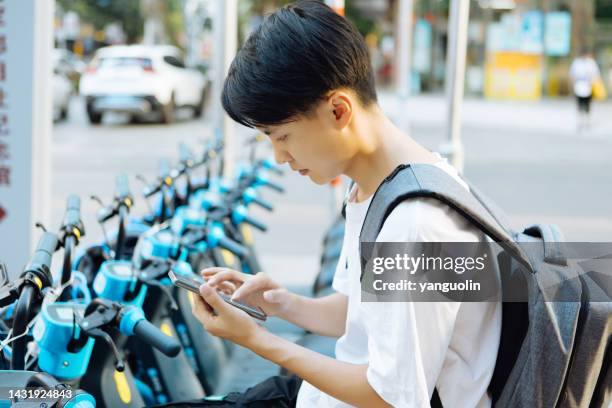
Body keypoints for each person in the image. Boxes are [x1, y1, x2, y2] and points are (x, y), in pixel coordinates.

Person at [169, 1, 501, 407]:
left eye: (282, 136)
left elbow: (391, 398)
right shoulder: (378, 187)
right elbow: (360, 312)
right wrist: (279, 304)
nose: (279, 157)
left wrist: (255, 339)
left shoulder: (416, 225)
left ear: (338, 110)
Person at [570, 50, 602, 131]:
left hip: (588, 85)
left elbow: (596, 74)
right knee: (579, 103)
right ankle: (580, 120)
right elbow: (573, 74)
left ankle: (587, 120)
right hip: (579, 84)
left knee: (588, 103)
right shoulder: (577, 63)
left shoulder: (591, 63)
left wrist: (594, 83)